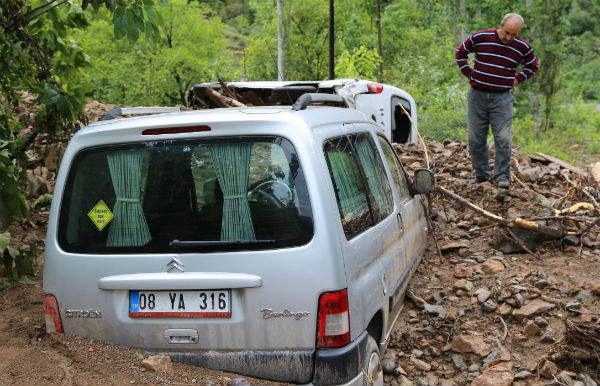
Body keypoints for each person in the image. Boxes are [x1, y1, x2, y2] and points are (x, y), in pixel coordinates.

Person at [455, 13, 539, 189]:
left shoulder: (522, 47)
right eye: (506, 32)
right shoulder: (481, 37)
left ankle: (502, 177)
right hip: (477, 95)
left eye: (513, 34)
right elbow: (460, 52)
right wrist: (467, 71)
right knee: (476, 138)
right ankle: (481, 176)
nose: (508, 38)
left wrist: (517, 79)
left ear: (519, 33)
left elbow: (533, 65)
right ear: (500, 25)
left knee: (503, 139)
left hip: (502, 98)